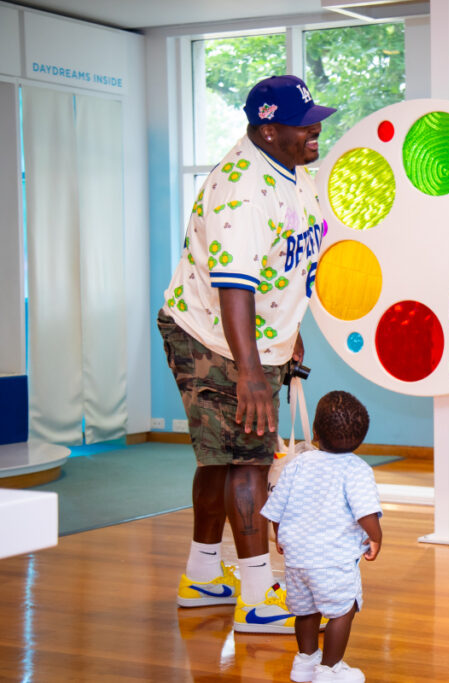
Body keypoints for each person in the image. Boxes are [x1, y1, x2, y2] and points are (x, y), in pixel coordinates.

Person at [159, 74, 336, 634]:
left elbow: (286, 264)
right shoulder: (241, 188)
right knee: (248, 458)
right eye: (303, 124)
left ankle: (203, 576)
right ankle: (258, 597)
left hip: (254, 337)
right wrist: (252, 374)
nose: (316, 130)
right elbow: (235, 285)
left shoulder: (295, 173)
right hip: (213, 337)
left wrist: (289, 327)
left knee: (223, 455)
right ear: (266, 127)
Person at [261, 390, 382, 683]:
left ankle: (305, 662)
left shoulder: (298, 464)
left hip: (298, 559)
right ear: (361, 438)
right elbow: (365, 511)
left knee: (306, 610)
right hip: (334, 559)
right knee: (344, 608)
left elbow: (278, 508)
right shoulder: (356, 469)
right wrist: (376, 536)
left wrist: (281, 538)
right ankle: (330, 670)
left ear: (315, 432)